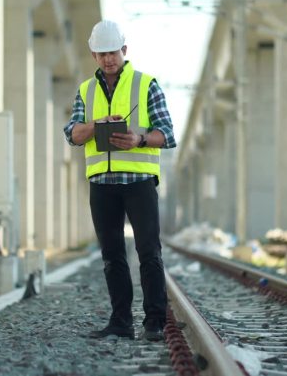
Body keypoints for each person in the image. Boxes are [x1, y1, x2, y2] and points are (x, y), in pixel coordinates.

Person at [62, 20, 177, 341]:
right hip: (102, 184)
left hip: (139, 181)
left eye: (113, 52)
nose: (108, 59)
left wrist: (139, 138)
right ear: (94, 55)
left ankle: (155, 321)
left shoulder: (147, 84)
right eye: (101, 54)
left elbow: (167, 134)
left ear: (124, 51)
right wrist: (97, 124)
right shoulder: (85, 90)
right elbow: (72, 134)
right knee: (112, 256)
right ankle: (121, 321)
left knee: (148, 252)